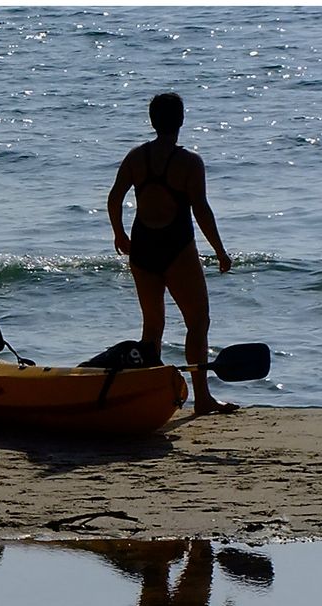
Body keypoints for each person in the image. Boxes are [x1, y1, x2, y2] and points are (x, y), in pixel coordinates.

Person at [107, 92, 238, 415]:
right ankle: (202, 399)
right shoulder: (189, 163)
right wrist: (220, 251)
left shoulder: (136, 157)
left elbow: (114, 197)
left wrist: (119, 233)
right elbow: (201, 211)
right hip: (177, 247)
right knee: (197, 322)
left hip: (143, 245)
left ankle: (145, 398)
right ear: (181, 120)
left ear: (152, 121)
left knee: (152, 328)